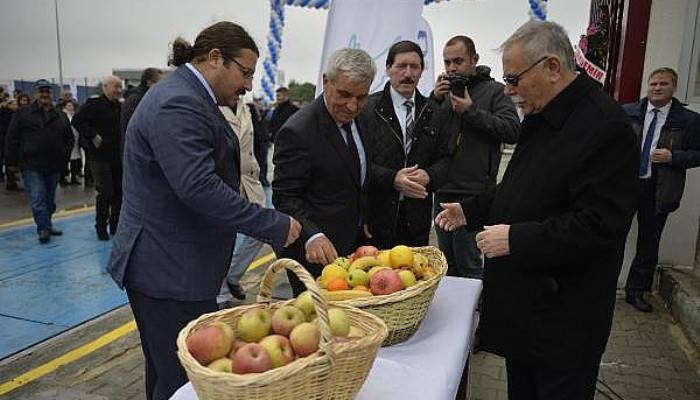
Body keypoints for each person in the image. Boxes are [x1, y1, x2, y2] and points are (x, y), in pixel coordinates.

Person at [435, 21, 638, 399]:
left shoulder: (606, 126)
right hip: (528, 313)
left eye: (513, 79)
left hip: (566, 318)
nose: (509, 90)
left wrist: (516, 238)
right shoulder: (542, 114)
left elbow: (600, 225)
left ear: (552, 68)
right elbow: (519, 189)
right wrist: (470, 210)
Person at [106, 21, 300, 400]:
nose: (247, 85)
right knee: (181, 380)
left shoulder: (188, 96)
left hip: (176, 266)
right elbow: (198, 187)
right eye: (244, 72)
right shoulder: (179, 102)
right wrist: (270, 223)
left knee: (167, 373)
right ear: (214, 58)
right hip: (167, 270)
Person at [273, 48, 375, 295]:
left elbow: (358, 173)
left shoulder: (366, 116)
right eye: (344, 94)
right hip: (315, 255)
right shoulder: (298, 131)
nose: (352, 106)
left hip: (356, 246)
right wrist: (312, 235)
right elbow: (285, 198)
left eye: (361, 97)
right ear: (325, 81)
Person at [432, 35, 520, 279]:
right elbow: (427, 137)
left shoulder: (494, 92)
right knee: (446, 264)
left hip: (474, 195)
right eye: (447, 62)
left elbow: (513, 131)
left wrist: (471, 111)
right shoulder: (443, 94)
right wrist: (434, 100)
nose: (452, 68)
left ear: (474, 59)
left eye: (458, 61)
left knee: (469, 264)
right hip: (442, 190)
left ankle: (475, 314)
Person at [359, 40, 450, 248]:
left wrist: (430, 175)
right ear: (388, 68)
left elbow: (445, 159)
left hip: (416, 221)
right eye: (401, 66)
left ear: (421, 71)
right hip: (375, 220)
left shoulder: (434, 112)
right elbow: (356, 162)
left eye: (414, 67)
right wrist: (392, 179)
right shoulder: (368, 109)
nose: (408, 74)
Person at [623, 67, 700, 313]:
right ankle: (598, 288)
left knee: (648, 243)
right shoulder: (629, 112)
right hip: (626, 186)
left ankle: (636, 292)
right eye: (653, 83)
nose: (657, 88)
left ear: (674, 88)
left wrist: (673, 156)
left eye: (663, 84)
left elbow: (698, 154)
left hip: (658, 188)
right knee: (611, 236)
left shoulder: (688, 120)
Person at [4, 79, 73, 243]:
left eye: (47, 91)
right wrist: (11, 162)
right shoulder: (23, 113)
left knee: (49, 200)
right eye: (41, 91)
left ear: (51, 93)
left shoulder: (60, 115)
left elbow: (69, 138)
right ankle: (43, 229)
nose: (45, 94)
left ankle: (47, 225)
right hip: (31, 164)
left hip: (53, 164)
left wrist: (64, 156)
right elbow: (12, 138)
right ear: (36, 93)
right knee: (37, 198)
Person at [218, 98, 267, 301]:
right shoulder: (210, 105)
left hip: (249, 178)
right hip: (223, 180)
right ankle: (220, 295)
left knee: (261, 231)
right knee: (222, 237)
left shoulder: (245, 108)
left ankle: (233, 275)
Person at [72, 76, 123, 240]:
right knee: (105, 192)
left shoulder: (119, 107)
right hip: (99, 156)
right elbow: (77, 120)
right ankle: (101, 226)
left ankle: (115, 225)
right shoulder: (94, 105)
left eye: (120, 87)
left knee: (119, 192)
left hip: (116, 155)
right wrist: (93, 135)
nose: (118, 90)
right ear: (105, 87)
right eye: (115, 87)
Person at [120, 67, 163, 138]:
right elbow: (138, 126)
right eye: (159, 83)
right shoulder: (136, 100)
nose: (162, 86)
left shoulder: (145, 98)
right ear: (149, 83)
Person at [61, 100, 83, 185]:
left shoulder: (74, 115)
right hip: (66, 140)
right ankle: (63, 178)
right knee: (65, 160)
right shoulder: (63, 115)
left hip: (75, 140)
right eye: (68, 105)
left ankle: (74, 177)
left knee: (75, 160)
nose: (70, 107)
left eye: (71, 105)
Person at [0, 99, 18, 186]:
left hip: (4, 139)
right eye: (14, 104)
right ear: (9, 105)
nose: (16, 106)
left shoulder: (4, 113)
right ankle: (11, 180)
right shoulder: (9, 114)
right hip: (6, 139)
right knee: (8, 160)